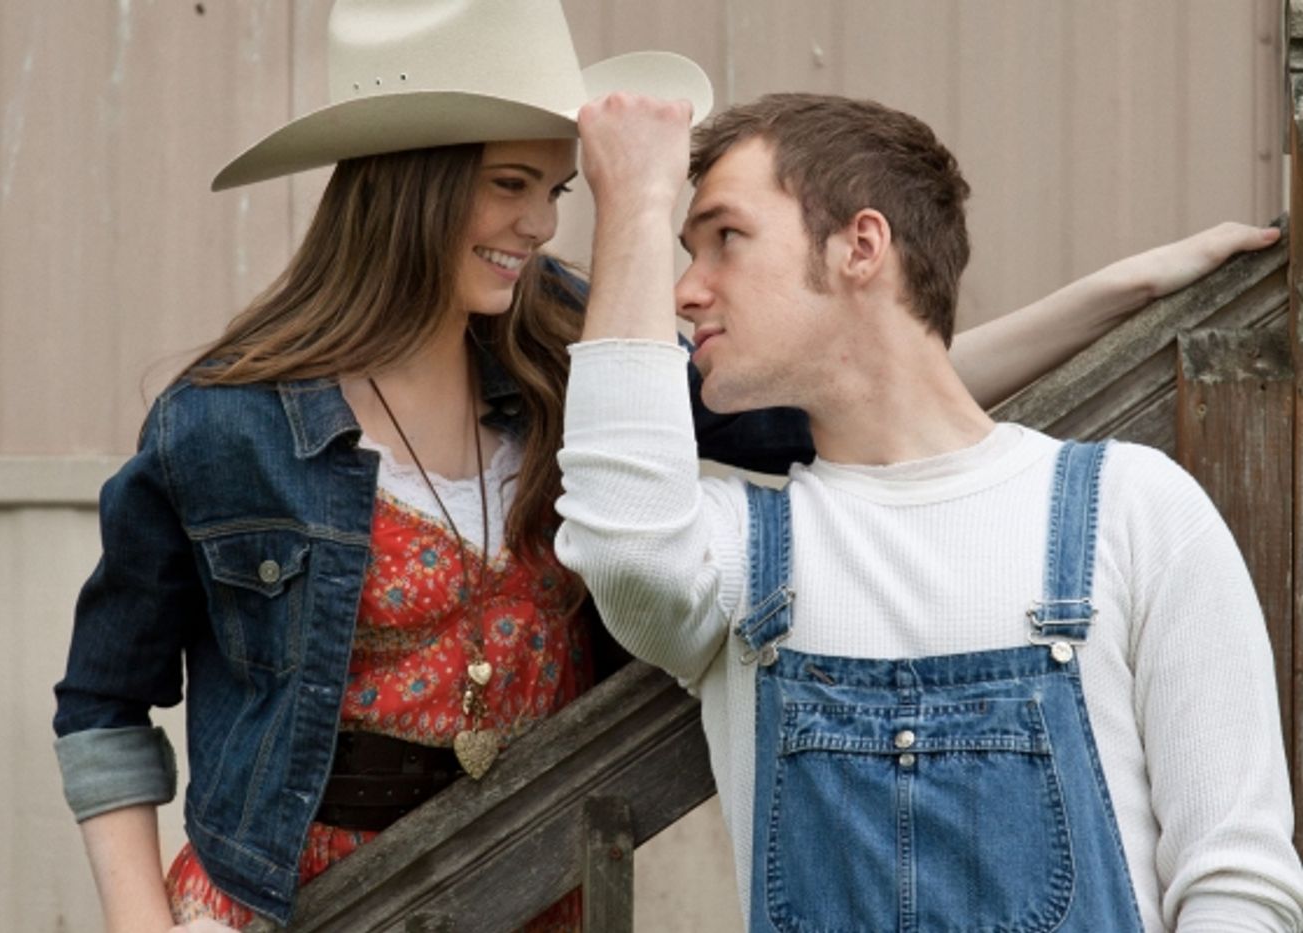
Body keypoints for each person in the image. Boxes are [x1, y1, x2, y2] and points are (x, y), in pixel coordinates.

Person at [52, 1, 1283, 930]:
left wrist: (1119, 293)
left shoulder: (566, 357)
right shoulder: (226, 423)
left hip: (523, 881)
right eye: (509, 187)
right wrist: (138, 924)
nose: (542, 225)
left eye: (556, 190)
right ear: (406, 191)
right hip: (283, 899)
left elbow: (855, 383)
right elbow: (105, 694)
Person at [556, 91, 1303, 932]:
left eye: (725, 238)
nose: (686, 292)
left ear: (860, 246)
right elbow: (622, 540)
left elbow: (1238, 887)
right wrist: (629, 201)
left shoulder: (1133, 510)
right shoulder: (734, 554)